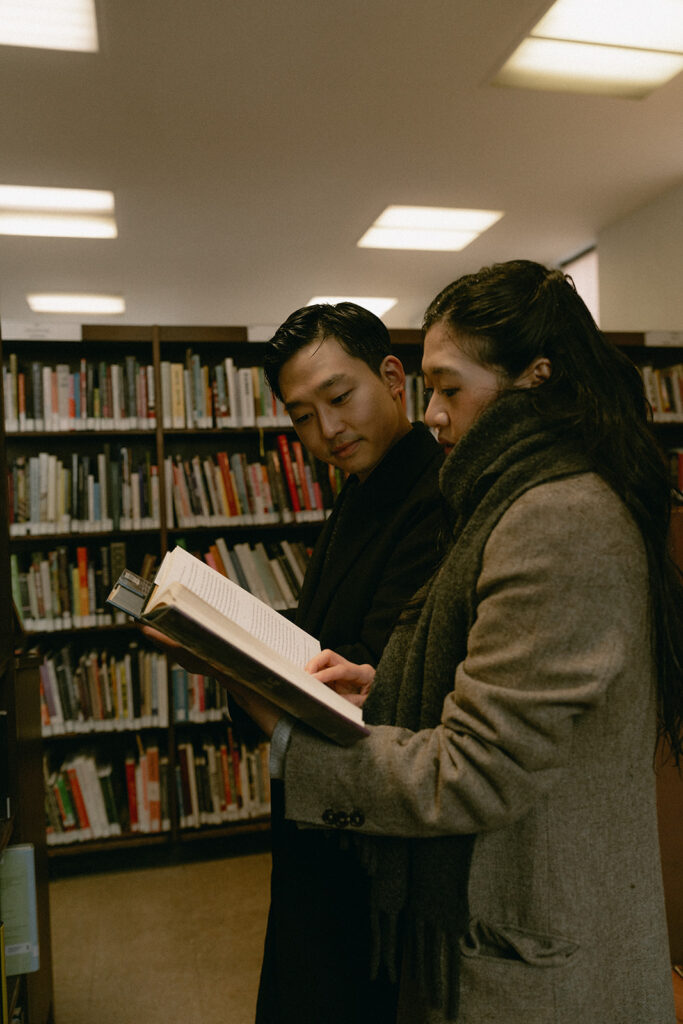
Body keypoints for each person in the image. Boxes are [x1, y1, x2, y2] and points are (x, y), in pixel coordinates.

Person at [209, 260, 682, 1023]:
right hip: (512, 915)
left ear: (532, 378)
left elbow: (474, 771)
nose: (431, 415)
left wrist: (295, 744)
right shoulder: (510, 497)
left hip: (538, 946)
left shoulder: (555, 518)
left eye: (448, 388)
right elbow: (498, 686)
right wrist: (386, 685)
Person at [257, 302, 450, 1021]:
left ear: (394, 377)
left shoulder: (435, 495)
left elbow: (380, 669)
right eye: (303, 417)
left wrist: (243, 670)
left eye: (340, 397)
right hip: (329, 811)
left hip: (371, 815)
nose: (327, 430)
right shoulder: (362, 488)